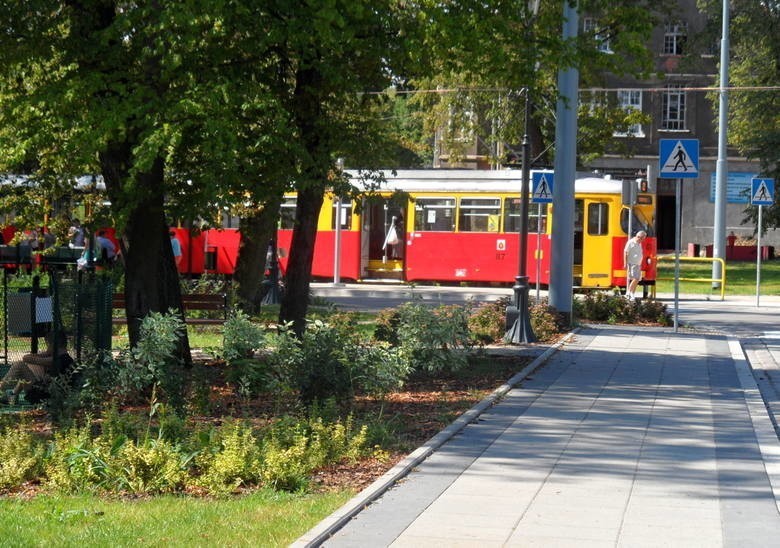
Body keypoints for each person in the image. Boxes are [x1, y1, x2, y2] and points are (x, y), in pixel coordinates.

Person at [0, 331, 72, 405]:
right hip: (48, 392)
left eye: (47, 345)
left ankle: (2, 391)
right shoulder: (67, 359)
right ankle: (13, 395)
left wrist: (46, 353)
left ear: (52, 345)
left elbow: (26, 358)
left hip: (44, 397)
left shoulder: (56, 360)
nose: (47, 348)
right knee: (30, 369)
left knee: (19, 365)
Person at [623, 230, 646, 300]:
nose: (642, 240)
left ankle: (632, 294)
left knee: (637, 279)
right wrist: (625, 263)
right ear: (638, 237)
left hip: (638, 264)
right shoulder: (631, 242)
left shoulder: (639, 243)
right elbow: (625, 252)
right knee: (635, 278)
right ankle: (628, 293)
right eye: (642, 239)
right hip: (632, 263)